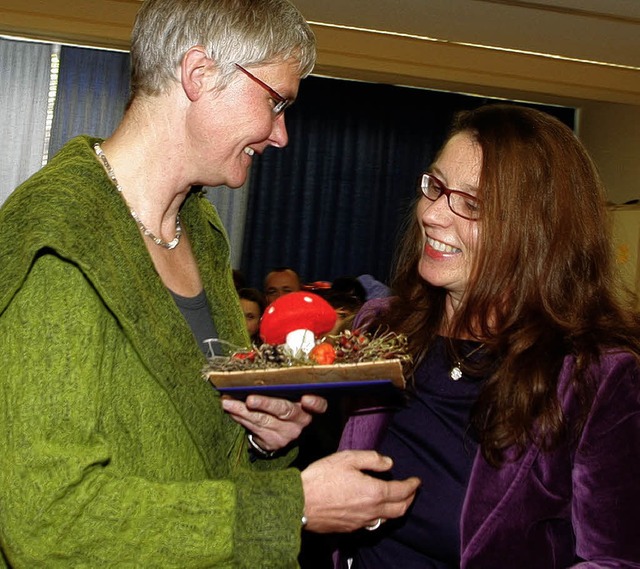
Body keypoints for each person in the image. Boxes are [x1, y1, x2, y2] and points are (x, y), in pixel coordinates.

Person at [0, 1, 420, 566]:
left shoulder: (201, 228)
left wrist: (259, 435)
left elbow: (197, 452)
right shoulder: (60, 242)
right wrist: (288, 506)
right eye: (275, 102)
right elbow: (47, 521)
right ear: (199, 74)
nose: (281, 135)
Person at [335, 104, 640, 568]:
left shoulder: (593, 376)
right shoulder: (378, 328)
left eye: (471, 204)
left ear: (538, 233)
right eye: (436, 187)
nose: (434, 215)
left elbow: (615, 559)